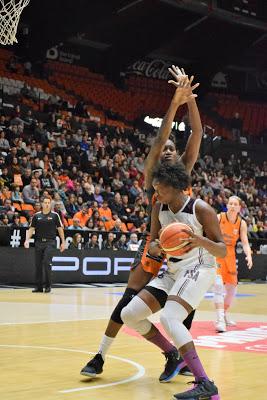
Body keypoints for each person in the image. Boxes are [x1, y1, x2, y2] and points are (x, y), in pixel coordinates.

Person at [80, 66, 202, 381]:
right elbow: (161, 136)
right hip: (155, 247)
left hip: (184, 253)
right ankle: (100, 355)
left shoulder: (184, 173)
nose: (167, 153)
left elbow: (197, 134)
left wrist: (190, 102)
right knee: (127, 301)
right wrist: (175, 103)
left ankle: (181, 358)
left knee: (183, 308)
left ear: (178, 156)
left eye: (172, 150)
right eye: (163, 150)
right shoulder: (153, 179)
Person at [121, 161, 226, 399]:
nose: (156, 194)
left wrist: (200, 241)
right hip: (173, 270)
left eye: (161, 189)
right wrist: (157, 247)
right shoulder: (159, 207)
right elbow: (155, 243)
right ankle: (173, 354)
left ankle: (205, 383)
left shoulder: (201, 210)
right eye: (155, 189)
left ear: (177, 187)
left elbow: (222, 250)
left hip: (200, 267)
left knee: (170, 317)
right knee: (129, 314)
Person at [214, 196, 253, 332]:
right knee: (218, 286)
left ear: (239, 208)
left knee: (232, 290)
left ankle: (224, 313)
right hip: (217, 253)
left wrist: (248, 255)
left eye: (235, 204)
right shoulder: (219, 217)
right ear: (227, 205)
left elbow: (245, 242)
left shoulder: (241, 223)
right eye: (230, 203)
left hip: (230, 256)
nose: (232, 206)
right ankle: (219, 320)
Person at [24, 196, 65, 293]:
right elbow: (31, 229)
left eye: (48, 202)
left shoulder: (55, 215)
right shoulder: (36, 216)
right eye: (45, 202)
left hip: (50, 242)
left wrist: (63, 242)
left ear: (50, 204)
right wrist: (26, 240)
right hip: (38, 242)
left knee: (47, 262)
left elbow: (60, 229)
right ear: (42, 204)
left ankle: (48, 286)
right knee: (38, 265)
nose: (47, 204)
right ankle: (38, 287)